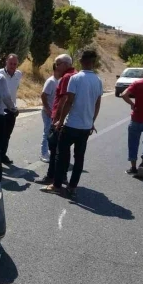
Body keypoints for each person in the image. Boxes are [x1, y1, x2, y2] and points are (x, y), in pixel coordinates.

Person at [41, 50, 102, 196]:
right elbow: (97, 103)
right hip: (85, 127)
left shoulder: (75, 78)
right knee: (79, 157)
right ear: (93, 62)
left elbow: (68, 101)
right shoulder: (98, 80)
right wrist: (92, 121)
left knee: (61, 155)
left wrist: (60, 121)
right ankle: (72, 187)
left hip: (71, 124)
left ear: (81, 61)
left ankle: (56, 185)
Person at [36, 54, 76, 185]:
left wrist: (57, 120)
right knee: (64, 149)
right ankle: (62, 177)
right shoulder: (75, 75)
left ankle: (52, 177)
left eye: (58, 64)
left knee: (54, 149)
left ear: (65, 64)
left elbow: (63, 100)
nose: (56, 67)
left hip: (60, 119)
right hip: (69, 119)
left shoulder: (67, 77)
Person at [0, 54, 23, 164]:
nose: (12, 66)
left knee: (7, 135)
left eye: (15, 64)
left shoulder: (18, 74)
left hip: (12, 109)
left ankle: (2, 155)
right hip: (0, 109)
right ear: (6, 62)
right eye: (10, 63)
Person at [39, 63, 60, 162]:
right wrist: (47, 109)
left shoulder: (60, 80)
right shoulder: (51, 81)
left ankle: (51, 152)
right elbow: (43, 95)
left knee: (54, 132)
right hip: (48, 112)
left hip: (55, 113)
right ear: (56, 69)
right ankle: (43, 154)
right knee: (47, 132)